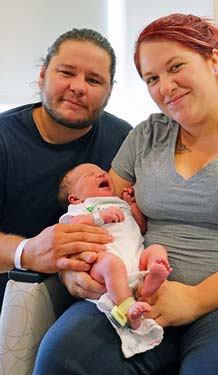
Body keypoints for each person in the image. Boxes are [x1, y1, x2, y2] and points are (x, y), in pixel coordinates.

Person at [33, 13, 218, 375]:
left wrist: (195, 299)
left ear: (213, 60)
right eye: (152, 78)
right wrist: (72, 272)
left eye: (176, 66)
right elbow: (102, 205)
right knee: (63, 359)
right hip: (134, 290)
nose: (165, 87)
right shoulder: (147, 136)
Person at [0, 28, 132, 308]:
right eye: (67, 73)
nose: (79, 87)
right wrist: (28, 251)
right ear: (42, 75)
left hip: (100, 296)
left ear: (109, 91)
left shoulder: (124, 140)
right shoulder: (4, 138)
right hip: (12, 306)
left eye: (94, 79)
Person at [58, 163, 172, 330]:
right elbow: (75, 225)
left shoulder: (119, 203)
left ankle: (149, 284)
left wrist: (131, 205)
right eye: (89, 175)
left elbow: (139, 227)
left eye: (102, 171)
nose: (101, 174)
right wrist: (99, 217)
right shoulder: (83, 208)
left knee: (156, 249)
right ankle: (127, 309)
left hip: (136, 259)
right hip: (103, 265)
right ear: (74, 198)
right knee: (112, 264)